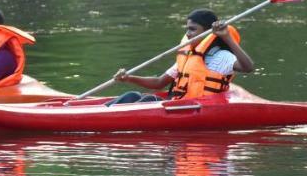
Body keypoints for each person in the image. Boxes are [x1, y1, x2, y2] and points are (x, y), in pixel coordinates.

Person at [109, 9, 254, 104]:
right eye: (187, 29)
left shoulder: (220, 56)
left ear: (208, 32)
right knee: (131, 96)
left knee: (148, 99)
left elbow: (248, 67)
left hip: (197, 108)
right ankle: (98, 114)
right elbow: (159, 82)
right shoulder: (188, 56)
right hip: (178, 104)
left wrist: (227, 37)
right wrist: (129, 78)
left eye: (193, 29)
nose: (188, 34)